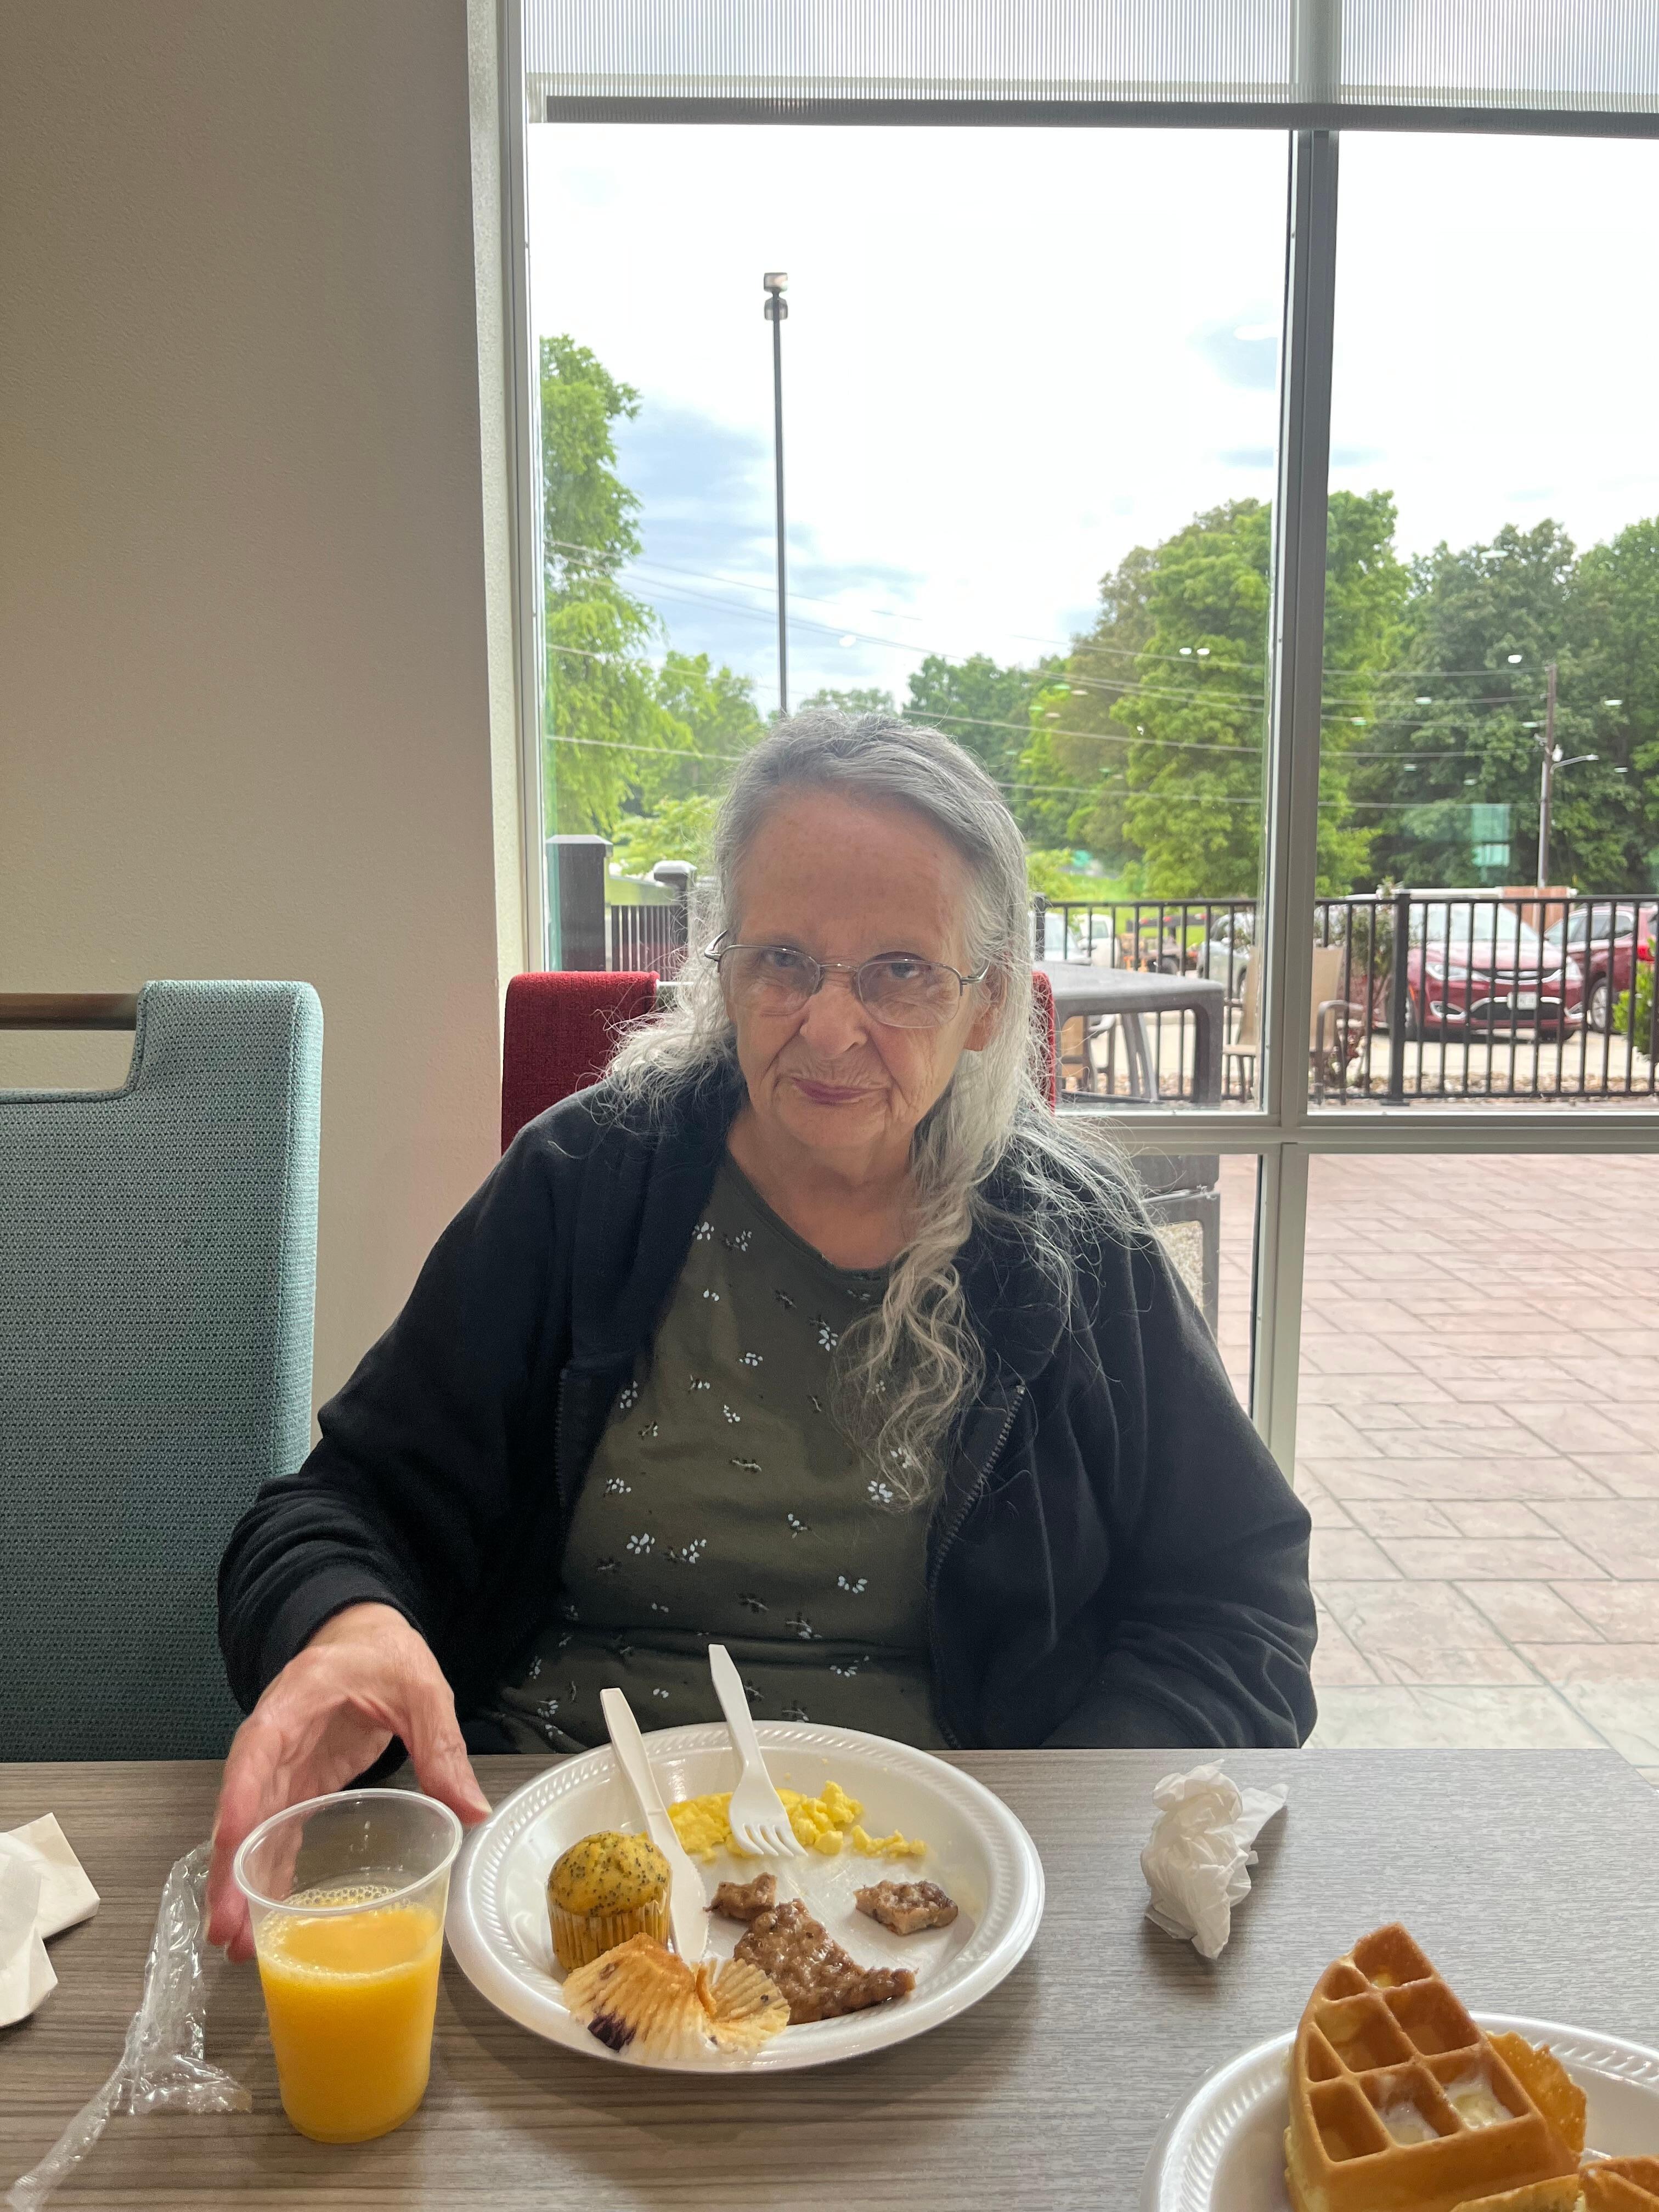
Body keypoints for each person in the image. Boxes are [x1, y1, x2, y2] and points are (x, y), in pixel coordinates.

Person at [207, 712, 1315, 1956]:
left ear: (989, 1002)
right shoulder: (581, 1187)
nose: (831, 1029)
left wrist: (1042, 1834)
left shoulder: (1074, 1246)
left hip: (938, 1915)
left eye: (902, 971)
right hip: (550, 1885)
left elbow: (1241, 1608)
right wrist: (350, 1626)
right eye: (783, 959)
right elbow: (337, 1508)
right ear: (721, 970)